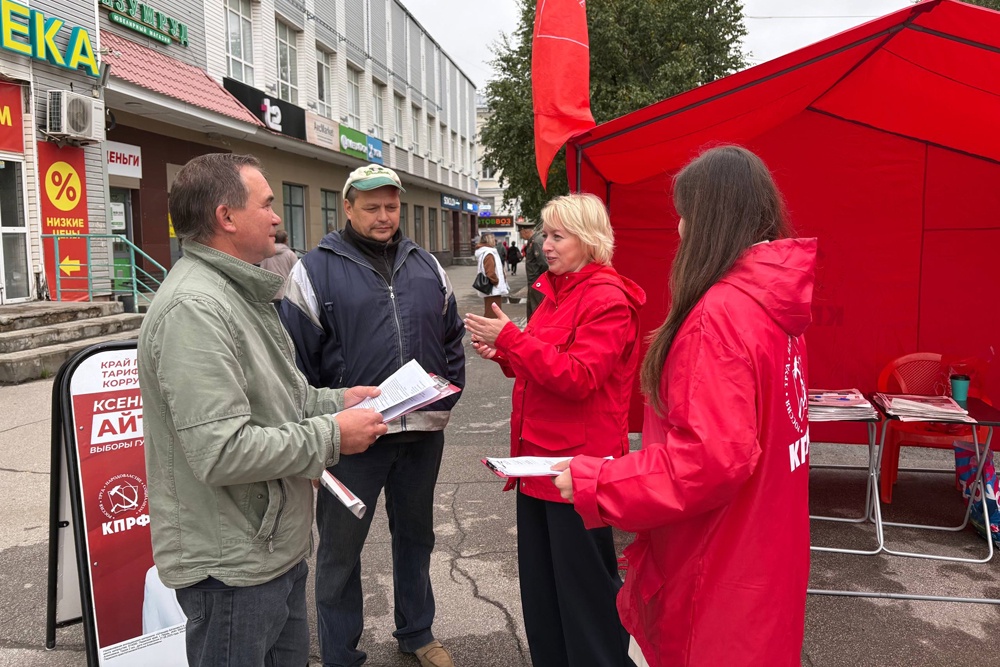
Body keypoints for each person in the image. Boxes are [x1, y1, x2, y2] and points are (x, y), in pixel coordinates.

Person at [553, 146, 817, 667]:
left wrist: (598, 482)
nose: (678, 231)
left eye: (684, 215)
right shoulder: (777, 307)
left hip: (718, 566)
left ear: (710, 219)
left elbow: (710, 460)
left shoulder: (720, 314)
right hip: (766, 556)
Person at [138, 153, 388, 667]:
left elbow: (282, 400)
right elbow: (221, 451)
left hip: (269, 550)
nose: (278, 217)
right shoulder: (196, 309)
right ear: (227, 217)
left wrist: (338, 401)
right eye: (268, 204)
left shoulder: (239, 290)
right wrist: (333, 434)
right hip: (231, 568)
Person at [279, 164, 465, 667]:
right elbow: (295, 361)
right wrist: (315, 439)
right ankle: (340, 653)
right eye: (372, 207)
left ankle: (418, 633)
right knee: (339, 553)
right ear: (347, 208)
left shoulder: (427, 265)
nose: (385, 217)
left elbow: (451, 341)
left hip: (421, 435)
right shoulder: (314, 269)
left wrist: (443, 401)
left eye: (391, 206)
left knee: (417, 538)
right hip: (351, 440)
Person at [464, 193, 645, 667]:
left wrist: (512, 342)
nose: (546, 243)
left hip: (576, 470)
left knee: (583, 596)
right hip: (537, 465)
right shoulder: (558, 291)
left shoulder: (607, 299)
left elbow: (579, 377)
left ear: (588, 240)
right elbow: (543, 363)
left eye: (557, 235)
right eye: (545, 234)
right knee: (543, 594)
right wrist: (506, 351)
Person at [474, 232, 509, 318]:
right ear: (488, 240)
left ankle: (488, 329)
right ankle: (488, 330)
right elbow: (490, 271)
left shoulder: (486, 252)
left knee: (491, 311)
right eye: (493, 238)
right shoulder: (489, 253)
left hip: (491, 288)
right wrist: (496, 282)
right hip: (493, 289)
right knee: (493, 313)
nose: (495, 240)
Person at [517, 220, 546, 319]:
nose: (521, 236)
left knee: (537, 309)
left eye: (521, 233)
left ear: (525, 231)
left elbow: (543, 263)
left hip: (537, 282)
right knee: (532, 309)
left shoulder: (536, 242)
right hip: (533, 282)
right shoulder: (532, 242)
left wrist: (541, 280)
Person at [258, 228, 298, 299]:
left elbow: (261, 273)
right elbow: (296, 275)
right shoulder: (291, 255)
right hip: (286, 294)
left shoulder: (266, 255)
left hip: (269, 293)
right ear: (285, 240)